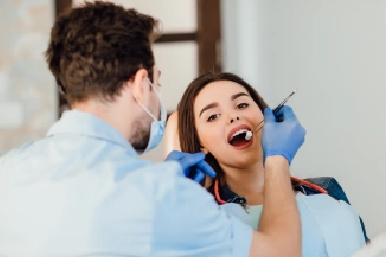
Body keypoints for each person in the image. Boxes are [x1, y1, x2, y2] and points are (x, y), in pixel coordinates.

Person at [0, 2, 305, 257]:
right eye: (156, 83)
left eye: (241, 105)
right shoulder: (160, 194)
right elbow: (281, 252)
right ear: (139, 84)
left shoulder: (8, 172)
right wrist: (277, 159)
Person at [171, 72, 367, 257]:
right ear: (200, 143)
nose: (233, 116)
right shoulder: (200, 219)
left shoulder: (326, 190)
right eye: (213, 116)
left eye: (241, 105)